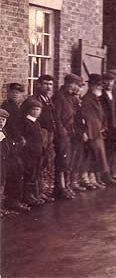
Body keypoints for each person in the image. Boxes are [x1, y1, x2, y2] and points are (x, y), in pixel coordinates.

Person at [20, 75, 57, 203]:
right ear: (38, 85)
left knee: (42, 165)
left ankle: (38, 192)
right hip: (36, 136)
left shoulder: (48, 99)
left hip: (46, 136)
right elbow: (23, 120)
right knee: (33, 167)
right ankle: (31, 194)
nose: (48, 87)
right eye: (45, 84)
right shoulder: (32, 100)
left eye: (50, 84)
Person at [81, 74, 116, 187]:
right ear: (91, 86)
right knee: (91, 155)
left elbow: (101, 115)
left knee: (96, 155)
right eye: (97, 86)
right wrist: (88, 132)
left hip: (97, 131)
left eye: (100, 85)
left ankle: (93, 178)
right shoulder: (87, 99)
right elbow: (87, 117)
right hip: (92, 132)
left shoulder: (96, 98)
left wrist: (103, 126)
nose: (100, 88)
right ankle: (85, 179)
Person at [51, 74, 83, 199]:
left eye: (77, 85)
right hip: (62, 134)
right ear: (68, 84)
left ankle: (67, 185)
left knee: (68, 160)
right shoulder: (59, 97)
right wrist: (62, 132)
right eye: (74, 85)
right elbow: (56, 118)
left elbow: (76, 116)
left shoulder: (72, 98)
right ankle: (60, 188)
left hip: (71, 133)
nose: (76, 88)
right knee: (62, 160)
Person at [1, 84, 28, 212]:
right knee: (14, 170)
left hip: (16, 143)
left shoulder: (17, 107)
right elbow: (6, 128)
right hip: (9, 144)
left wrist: (21, 137)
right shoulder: (5, 107)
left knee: (17, 169)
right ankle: (12, 200)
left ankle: (13, 199)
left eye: (18, 93)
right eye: (13, 92)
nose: (15, 94)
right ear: (8, 93)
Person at [20, 100, 45, 207]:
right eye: (33, 109)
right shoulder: (26, 122)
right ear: (29, 110)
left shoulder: (36, 123)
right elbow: (25, 139)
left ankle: (34, 194)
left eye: (38, 110)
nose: (35, 112)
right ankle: (27, 196)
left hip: (37, 152)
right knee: (28, 173)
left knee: (35, 173)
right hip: (29, 153)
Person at [100, 72, 116, 182]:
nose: (109, 83)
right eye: (107, 81)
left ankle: (111, 174)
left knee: (112, 151)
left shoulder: (115, 93)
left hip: (115, 127)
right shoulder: (100, 94)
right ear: (103, 82)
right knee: (104, 151)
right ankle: (104, 176)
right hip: (106, 127)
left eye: (111, 81)